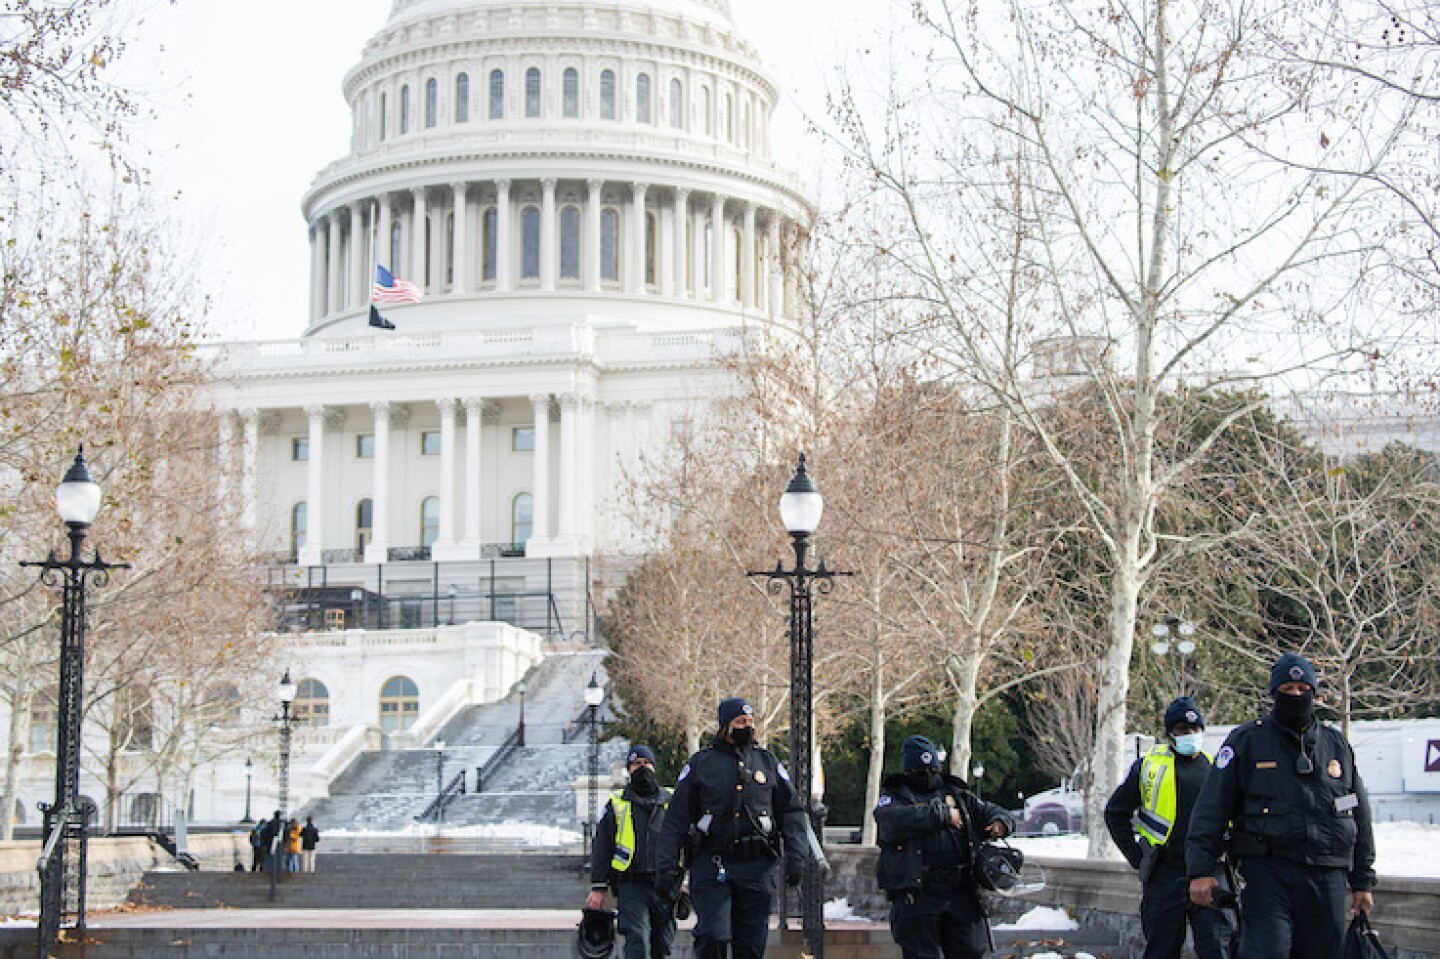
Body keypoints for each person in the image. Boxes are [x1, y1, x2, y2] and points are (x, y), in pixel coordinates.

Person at [1187, 652, 1376, 958]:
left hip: (1326, 873)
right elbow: (1211, 810)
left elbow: (1358, 813)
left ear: (1314, 693)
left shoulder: (1335, 745)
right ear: (1274, 693)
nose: (1296, 696)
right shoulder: (1246, 741)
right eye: (1287, 690)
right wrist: (1200, 870)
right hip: (1267, 872)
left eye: (1303, 690)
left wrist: (1363, 880)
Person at [655, 697, 812, 959]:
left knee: (750, 945)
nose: (747, 727)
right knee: (712, 935)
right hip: (713, 862)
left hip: (758, 866)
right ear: (725, 726)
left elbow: (791, 812)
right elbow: (676, 819)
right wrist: (667, 865)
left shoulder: (767, 762)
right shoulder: (701, 764)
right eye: (740, 722)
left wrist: (797, 854)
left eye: (750, 722)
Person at [1104, 696, 1231, 959]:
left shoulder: (1215, 768)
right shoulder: (1149, 767)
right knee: (1161, 949)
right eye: (1183, 730)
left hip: (1209, 872)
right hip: (1165, 873)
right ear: (1170, 733)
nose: (1191, 735)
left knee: (1217, 947)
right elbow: (1115, 813)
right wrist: (1139, 859)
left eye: (1195, 729)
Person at [873, 734, 1015, 959]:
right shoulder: (895, 795)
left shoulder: (956, 793)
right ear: (909, 771)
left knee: (970, 951)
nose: (928, 777)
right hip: (919, 893)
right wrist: (942, 815)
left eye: (932, 771)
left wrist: (1001, 823)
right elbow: (890, 820)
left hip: (960, 891)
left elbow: (990, 810)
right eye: (920, 772)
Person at [587, 745, 677, 959]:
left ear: (654, 767)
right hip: (631, 884)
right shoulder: (617, 803)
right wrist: (598, 886)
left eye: (647, 763)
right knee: (637, 941)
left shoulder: (672, 800)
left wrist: (686, 880)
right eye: (637, 764)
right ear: (629, 769)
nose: (643, 768)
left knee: (663, 946)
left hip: (665, 885)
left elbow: (686, 841)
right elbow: (602, 845)